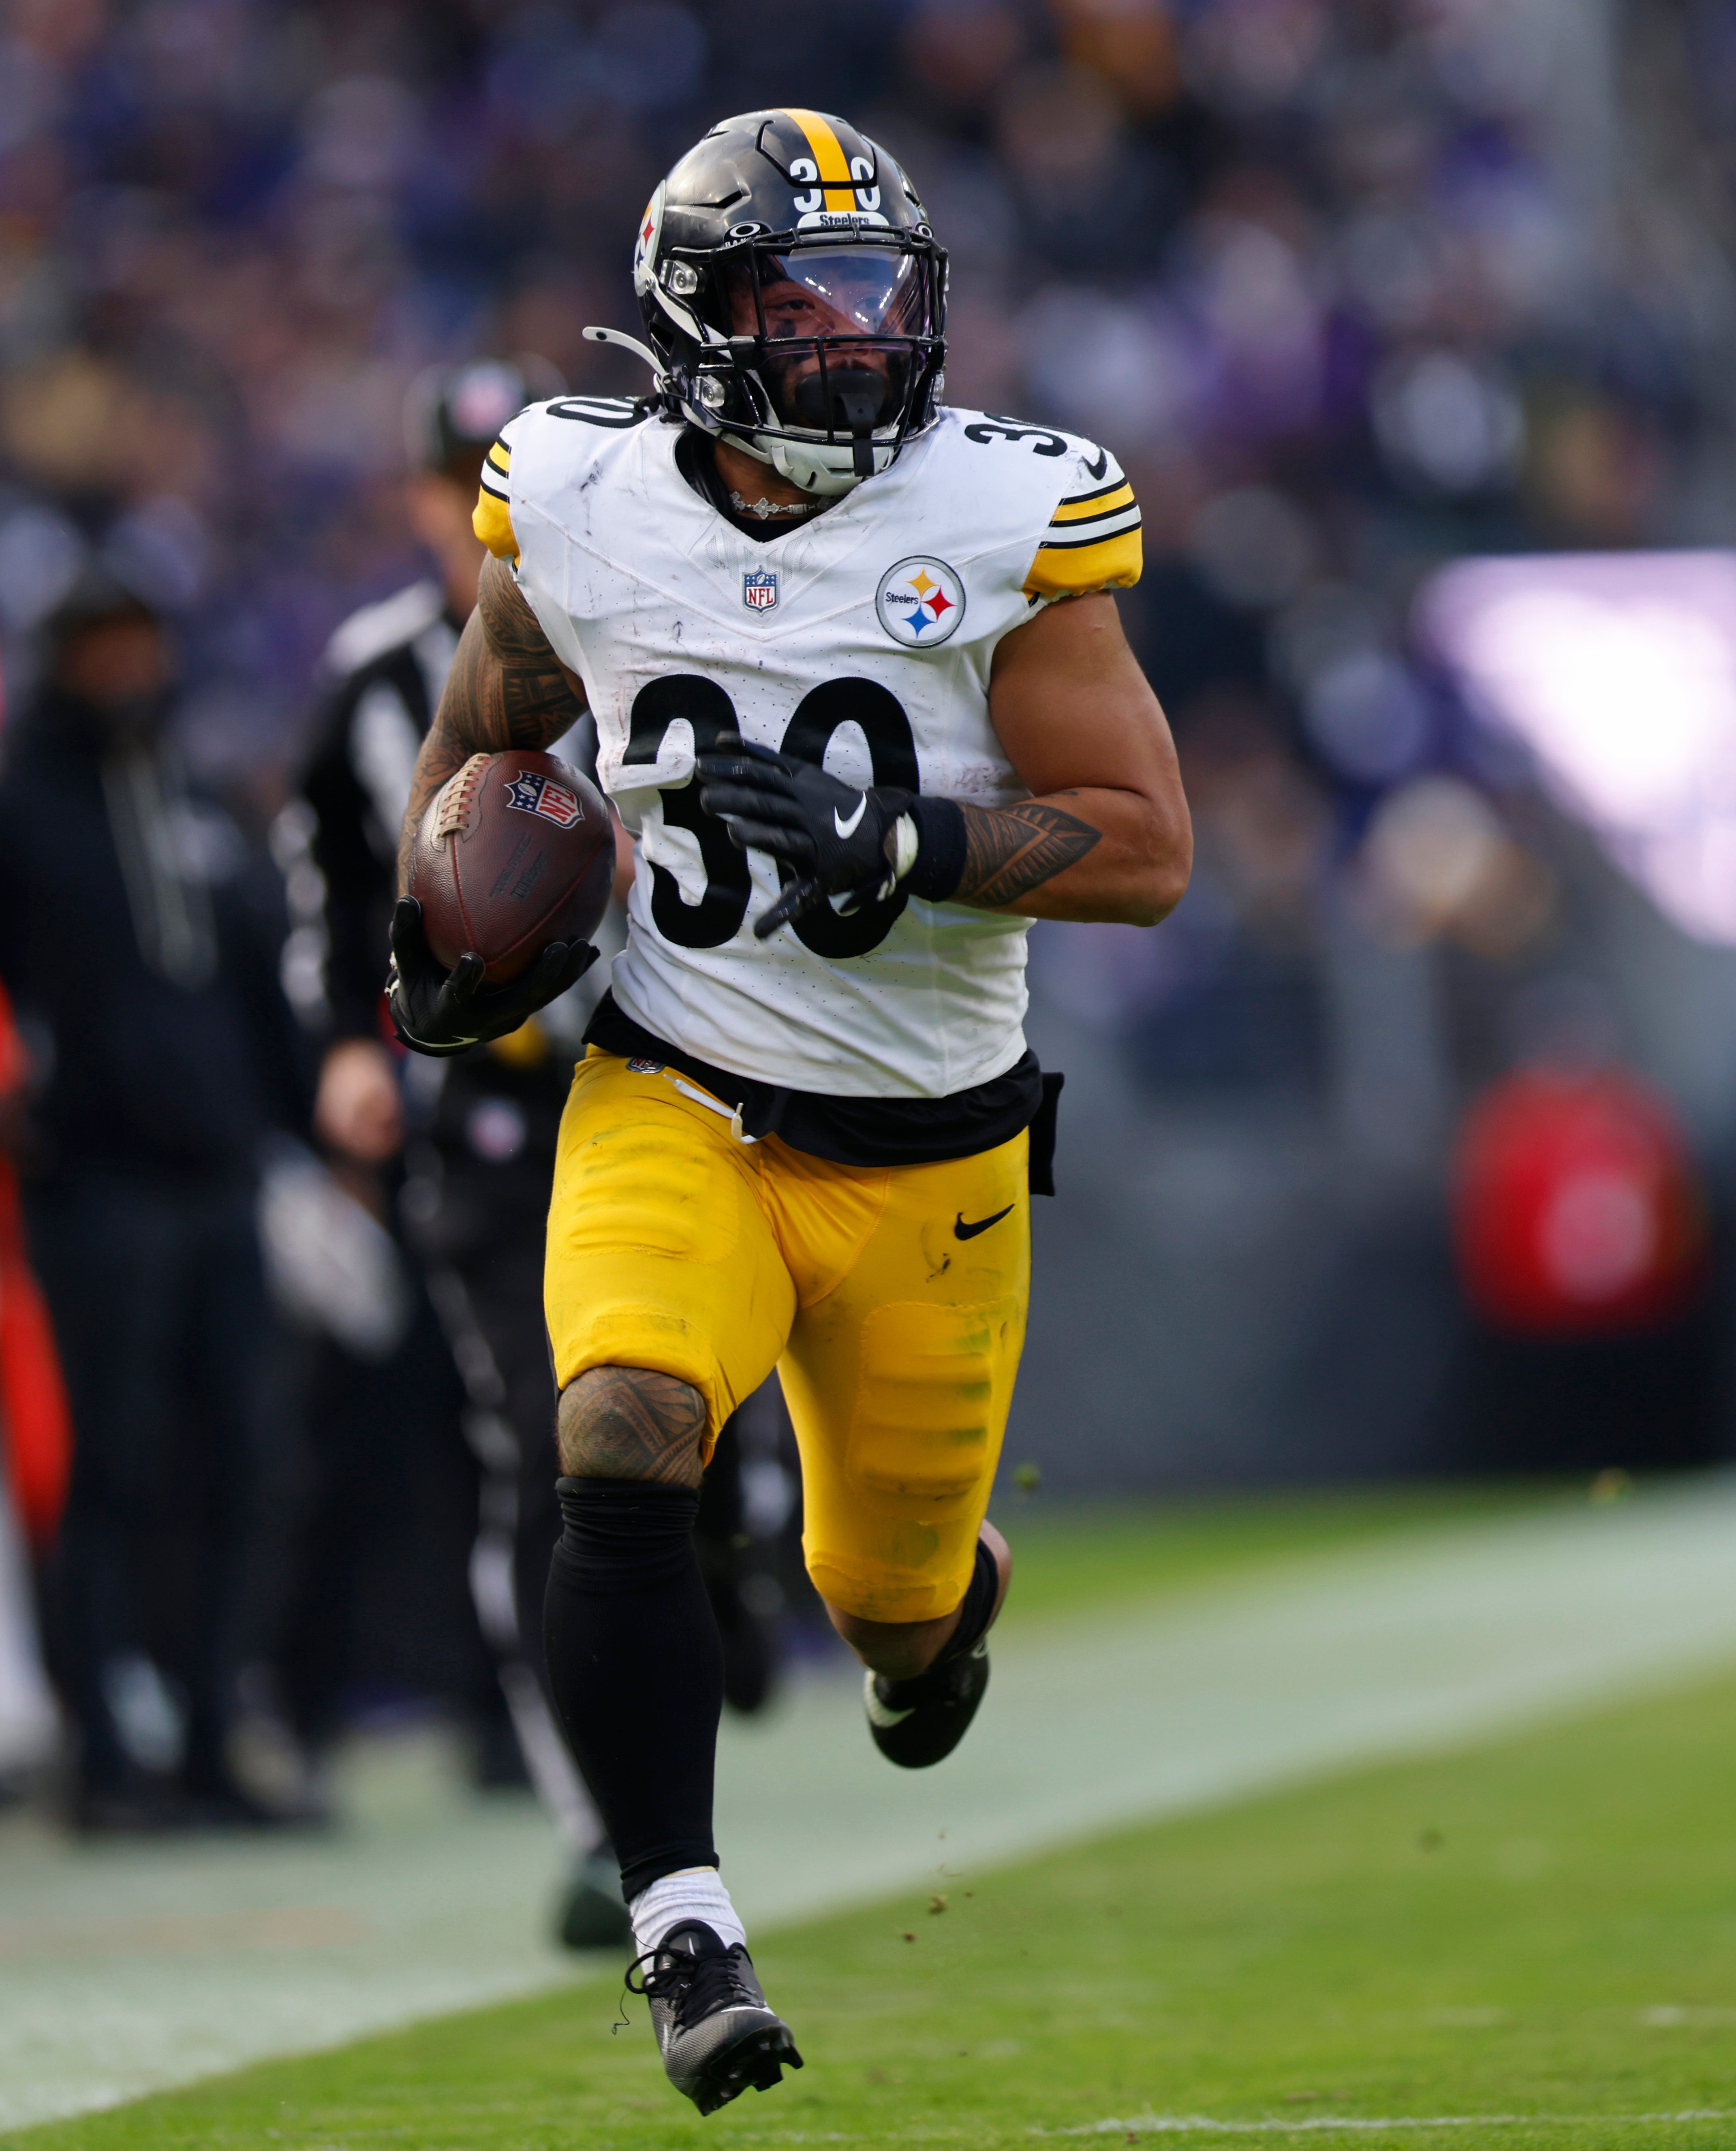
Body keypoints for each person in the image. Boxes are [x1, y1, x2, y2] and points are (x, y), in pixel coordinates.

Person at [383, 111, 1191, 2111]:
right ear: (694, 319)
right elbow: (491, 723)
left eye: (876, 299)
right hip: (682, 1090)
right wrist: (440, 911)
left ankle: (940, 1622)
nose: (850, 342)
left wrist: (897, 832)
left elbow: (1146, 846)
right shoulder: (572, 497)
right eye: (800, 302)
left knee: (883, 1602)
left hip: (932, 1152)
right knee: (622, 1425)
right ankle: (680, 1917)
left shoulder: (1010, 513)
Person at [291, 359, 790, 1950]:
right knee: (544, 1451)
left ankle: (734, 1551)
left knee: (700, 1442)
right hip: (501, 1122)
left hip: (684, 1087)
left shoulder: (654, 621)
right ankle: (603, 1821)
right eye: (460, 494)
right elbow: (322, 884)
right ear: (433, 506)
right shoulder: (370, 679)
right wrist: (341, 1047)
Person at [0, 565, 320, 1832]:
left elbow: (270, 975)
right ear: (57, 659)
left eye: (138, 643)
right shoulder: (10, 810)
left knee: (239, 1459)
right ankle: (100, 1753)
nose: (122, 670)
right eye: (96, 647)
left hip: (221, 1179)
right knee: (113, 1463)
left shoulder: (197, 798)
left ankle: (210, 1733)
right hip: (93, 1182)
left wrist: (308, 1121)